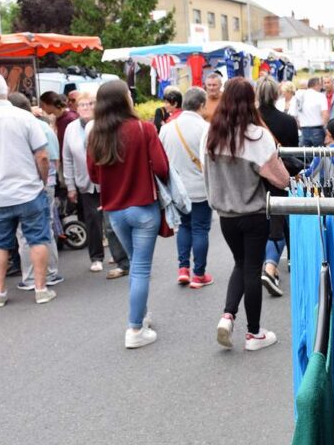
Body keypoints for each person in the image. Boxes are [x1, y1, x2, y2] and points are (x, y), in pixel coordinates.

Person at [201, 77, 290, 351]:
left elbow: (205, 174)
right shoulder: (256, 136)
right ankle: (253, 334)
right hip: (253, 212)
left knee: (240, 264)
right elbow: (281, 179)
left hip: (225, 215)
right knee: (252, 268)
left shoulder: (210, 135)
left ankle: (228, 316)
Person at [87, 80, 170, 349]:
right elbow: (162, 167)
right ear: (125, 100)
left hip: (114, 210)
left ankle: (142, 316)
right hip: (144, 207)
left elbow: (93, 175)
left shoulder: (95, 135)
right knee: (141, 269)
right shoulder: (143, 128)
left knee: (136, 266)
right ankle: (135, 328)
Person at [0, 73, 56, 307]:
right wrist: (42, 180)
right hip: (29, 191)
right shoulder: (25, 118)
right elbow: (42, 155)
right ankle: (41, 289)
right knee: (37, 239)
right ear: (6, 90)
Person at [63, 92, 130, 278]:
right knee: (92, 220)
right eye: (82, 104)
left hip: (107, 182)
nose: (86, 107)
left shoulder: (105, 126)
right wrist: (70, 185)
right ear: (76, 108)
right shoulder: (70, 129)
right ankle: (96, 257)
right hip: (85, 181)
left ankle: (120, 255)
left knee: (113, 221)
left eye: (90, 104)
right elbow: (67, 158)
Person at [7, 92, 65, 291]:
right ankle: (51, 273)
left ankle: (31, 277)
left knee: (25, 233)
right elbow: (54, 160)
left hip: (28, 185)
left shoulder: (18, 129)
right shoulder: (44, 128)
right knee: (46, 227)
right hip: (47, 182)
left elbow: (42, 158)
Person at [159, 87, 214, 289]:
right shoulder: (206, 128)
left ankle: (183, 268)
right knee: (200, 229)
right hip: (200, 187)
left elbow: (160, 160)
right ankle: (199, 274)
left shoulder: (166, 129)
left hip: (177, 188)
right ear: (201, 105)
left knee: (184, 226)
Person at [255, 76, 302, 297]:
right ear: (277, 95)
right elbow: (294, 150)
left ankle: (267, 261)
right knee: (284, 215)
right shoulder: (289, 121)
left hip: (256, 178)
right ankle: (290, 258)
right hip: (281, 174)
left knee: (265, 218)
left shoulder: (251, 121)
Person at [39, 91, 78, 161]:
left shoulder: (70, 118)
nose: (42, 108)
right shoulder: (57, 117)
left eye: (43, 105)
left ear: (50, 104)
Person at [296, 77, 328, 147]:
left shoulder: (299, 96)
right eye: (321, 85)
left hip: (304, 130)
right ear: (317, 84)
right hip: (317, 129)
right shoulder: (320, 96)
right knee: (320, 155)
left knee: (306, 155)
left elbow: (294, 114)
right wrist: (325, 128)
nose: (321, 87)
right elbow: (325, 113)